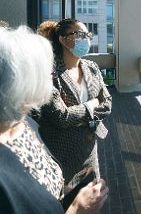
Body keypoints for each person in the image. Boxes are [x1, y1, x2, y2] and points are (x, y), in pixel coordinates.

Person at [0, 26, 108, 214]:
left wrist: (70, 193)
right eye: (43, 72)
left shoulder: (24, 124)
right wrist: (77, 209)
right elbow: (61, 117)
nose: (49, 77)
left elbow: (44, 183)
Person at [37, 19, 112, 189]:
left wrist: (77, 114)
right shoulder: (49, 73)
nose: (85, 39)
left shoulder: (91, 67)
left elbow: (107, 103)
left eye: (87, 35)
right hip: (63, 152)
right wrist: (92, 104)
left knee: (92, 198)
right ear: (62, 39)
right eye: (79, 34)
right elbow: (60, 117)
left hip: (90, 150)